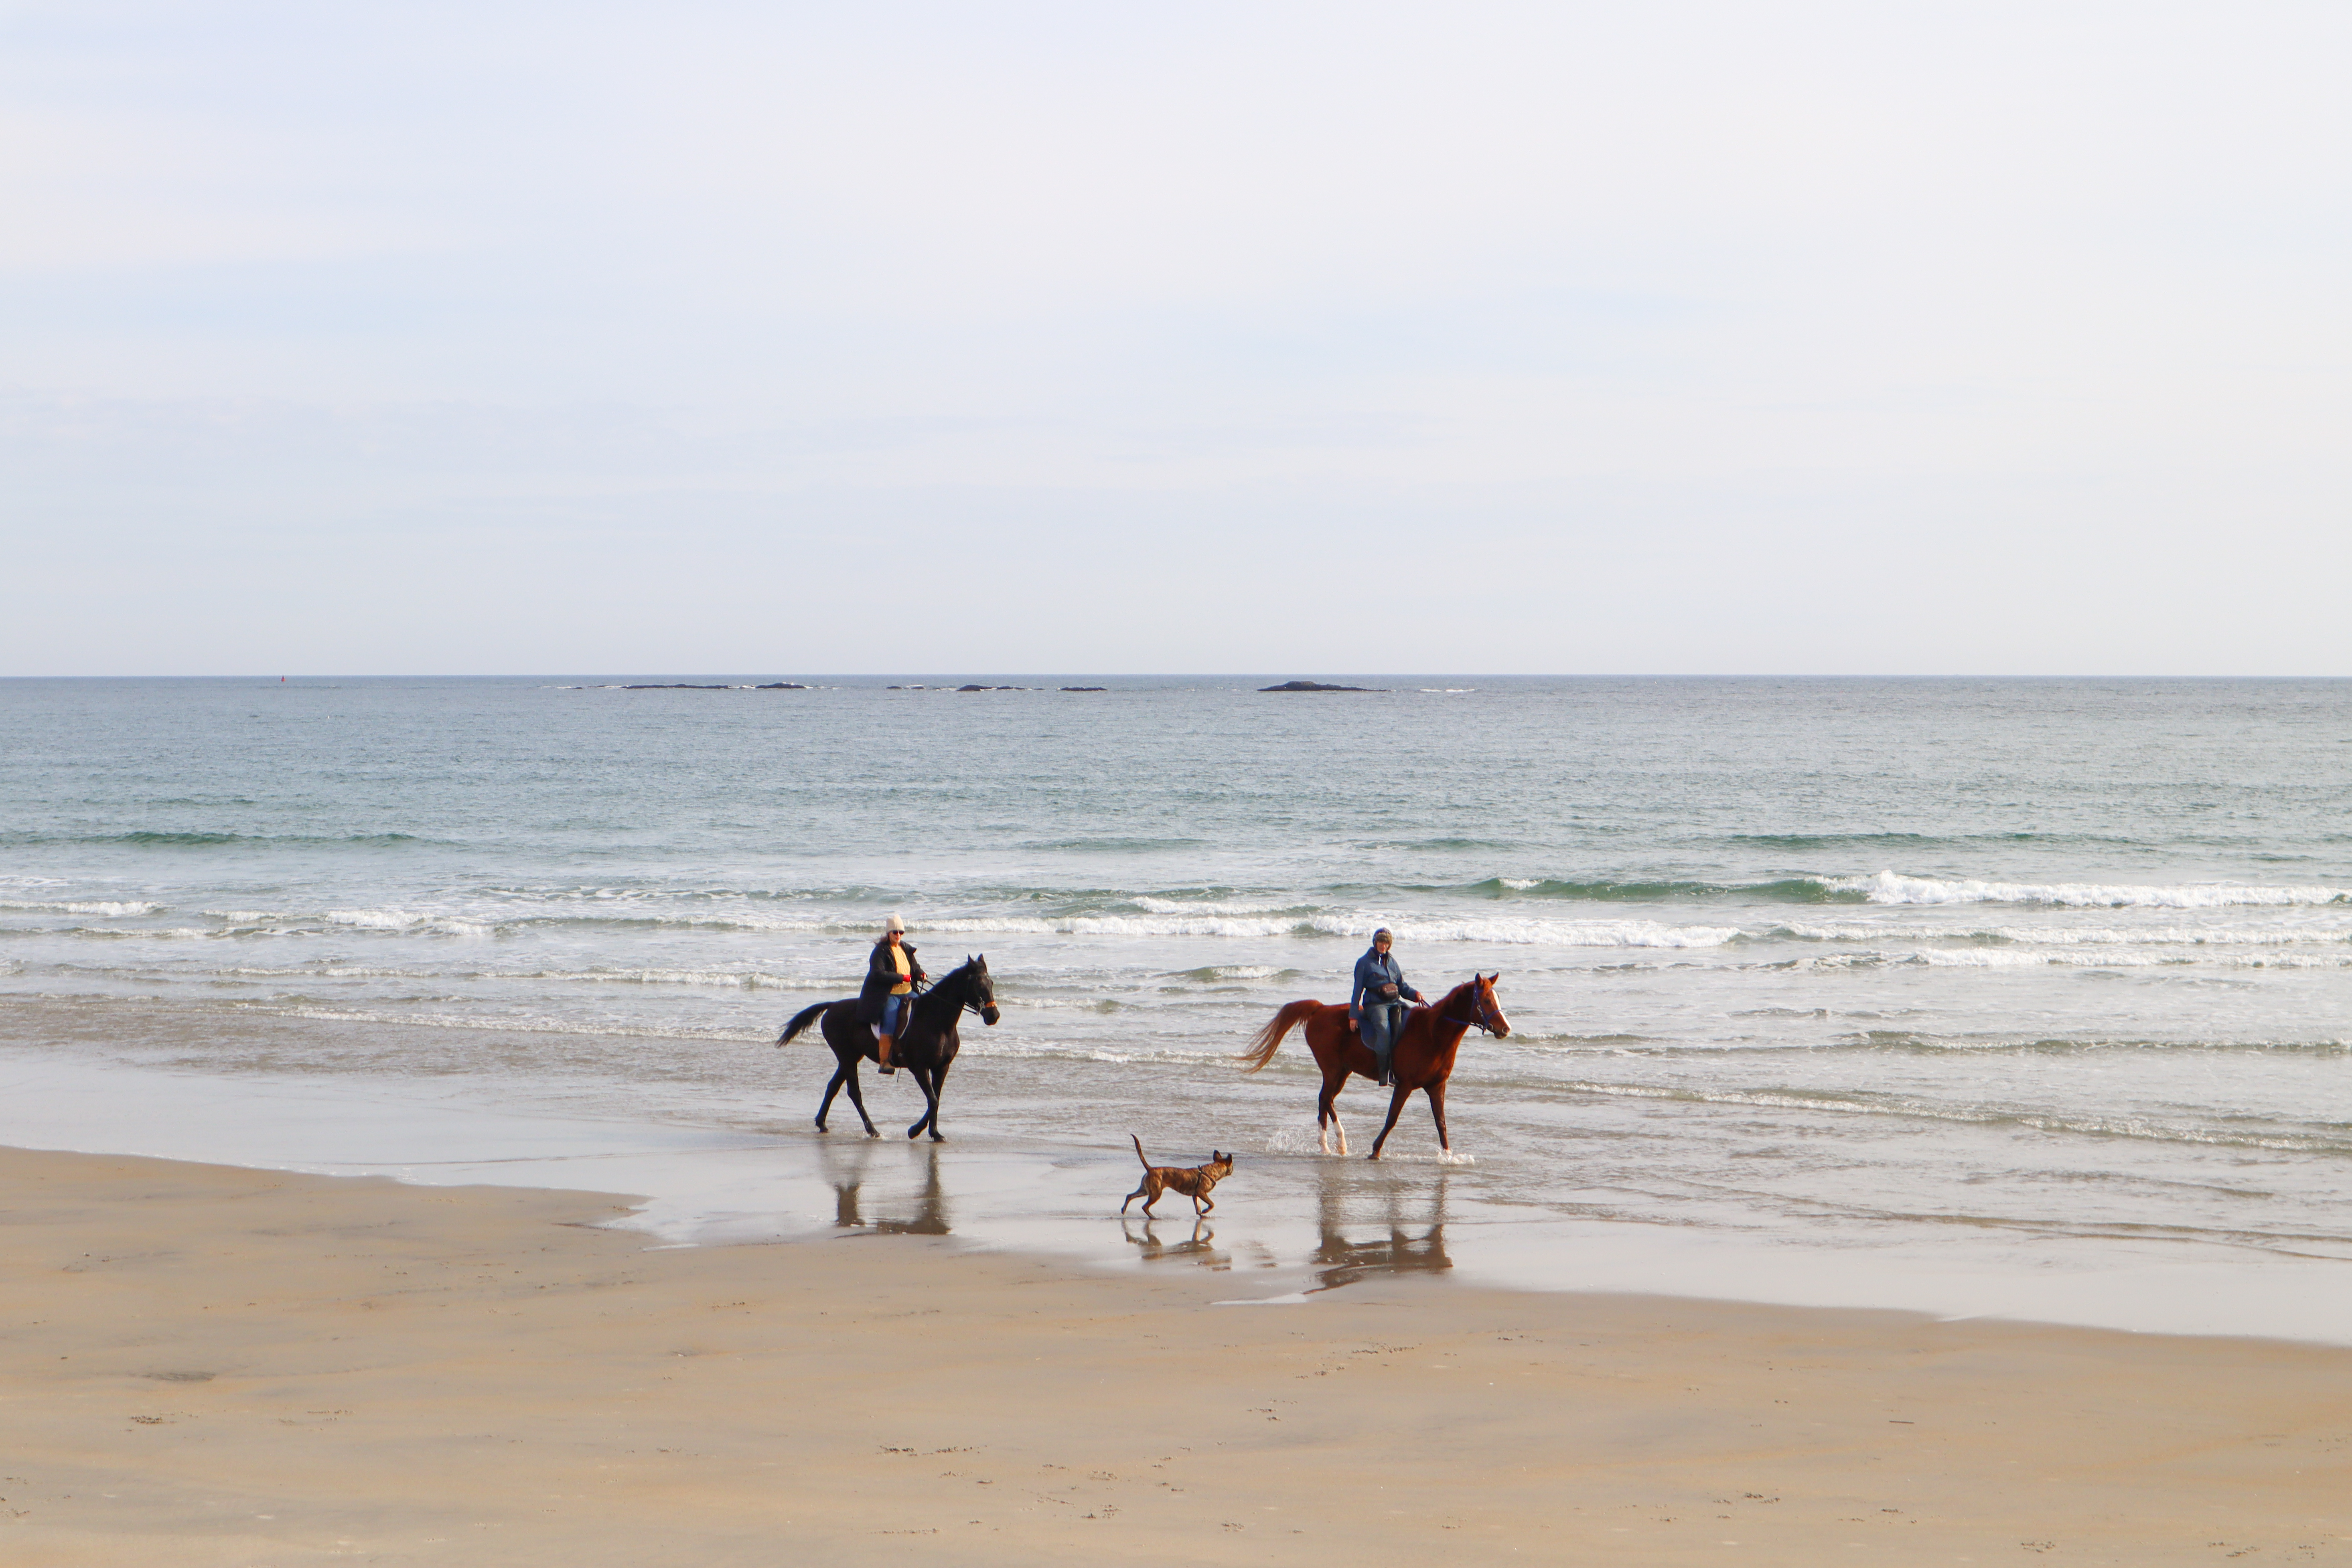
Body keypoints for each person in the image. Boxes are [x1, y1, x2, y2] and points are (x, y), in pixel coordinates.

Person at [1349, 927, 1422, 1087]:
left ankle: (1401, 1066)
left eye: (1387, 943)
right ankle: (1384, 1074)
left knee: (1410, 1025)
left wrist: (1415, 994)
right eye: (1381, 942)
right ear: (1375, 942)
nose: (1384, 946)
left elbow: (1402, 986)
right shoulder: (1364, 963)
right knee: (1384, 1030)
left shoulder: (1392, 962)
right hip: (1375, 1005)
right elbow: (1357, 990)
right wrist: (1353, 1015)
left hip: (1395, 1003)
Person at [858, 914, 927, 1073]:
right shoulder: (880, 951)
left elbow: (915, 967)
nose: (898, 935)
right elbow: (877, 974)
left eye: (901, 933)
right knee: (890, 1020)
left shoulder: (906, 948)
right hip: (890, 994)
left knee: (925, 1011)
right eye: (895, 932)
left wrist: (920, 974)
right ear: (889, 933)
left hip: (909, 992)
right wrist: (901, 978)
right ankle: (885, 1062)